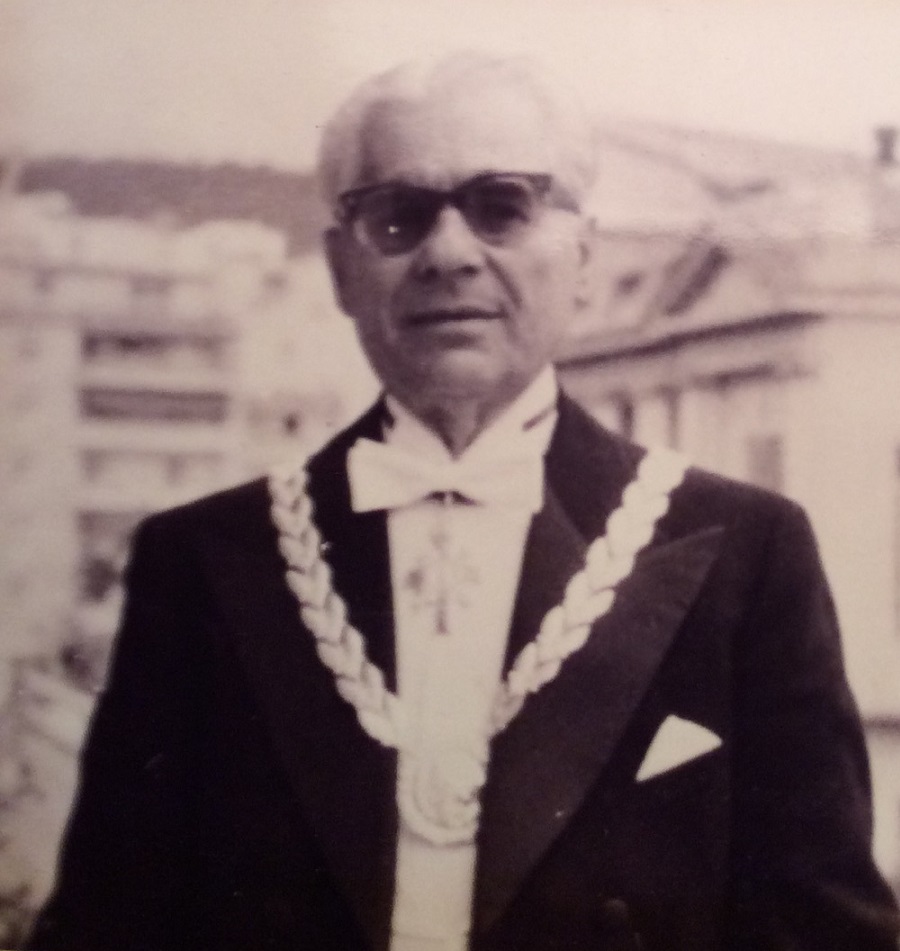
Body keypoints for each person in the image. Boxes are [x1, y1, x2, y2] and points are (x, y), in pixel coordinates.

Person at [28, 51, 900, 951]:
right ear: (340, 268)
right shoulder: (205, 561)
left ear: (584, 255)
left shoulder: (746, 554)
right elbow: (104, 928)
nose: (449, 253)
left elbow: (825, 934)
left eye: (502, 206)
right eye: (397, 216)